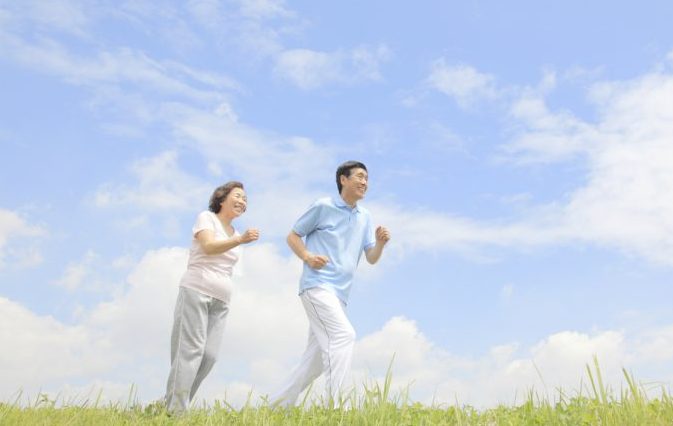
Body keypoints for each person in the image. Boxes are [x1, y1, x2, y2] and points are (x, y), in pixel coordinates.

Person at [271, 161, 391, 407]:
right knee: (343, 336)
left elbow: (371, 258)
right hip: (317, 286)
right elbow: (292, 235)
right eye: (359, 176)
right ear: (343, 180)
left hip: (340, 295)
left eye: (367, 178)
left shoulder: (365, 216)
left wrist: (380, 244)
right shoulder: (323, 206)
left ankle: (275, 406)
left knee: (313, 362)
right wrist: (307, 257)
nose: (364, 182)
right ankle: (339, 410)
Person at [165, 181, 259, 414]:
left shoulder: (236, 233)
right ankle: (175, 411)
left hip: (221, 300)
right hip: (197, 290)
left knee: (209, 356)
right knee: (190, 351)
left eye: (245, 199)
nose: (242, 201)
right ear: (221, 198)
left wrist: (239, 240)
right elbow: (208, 247)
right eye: (237, 196)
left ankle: (171, 402)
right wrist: (240, 240)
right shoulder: (207, 218)